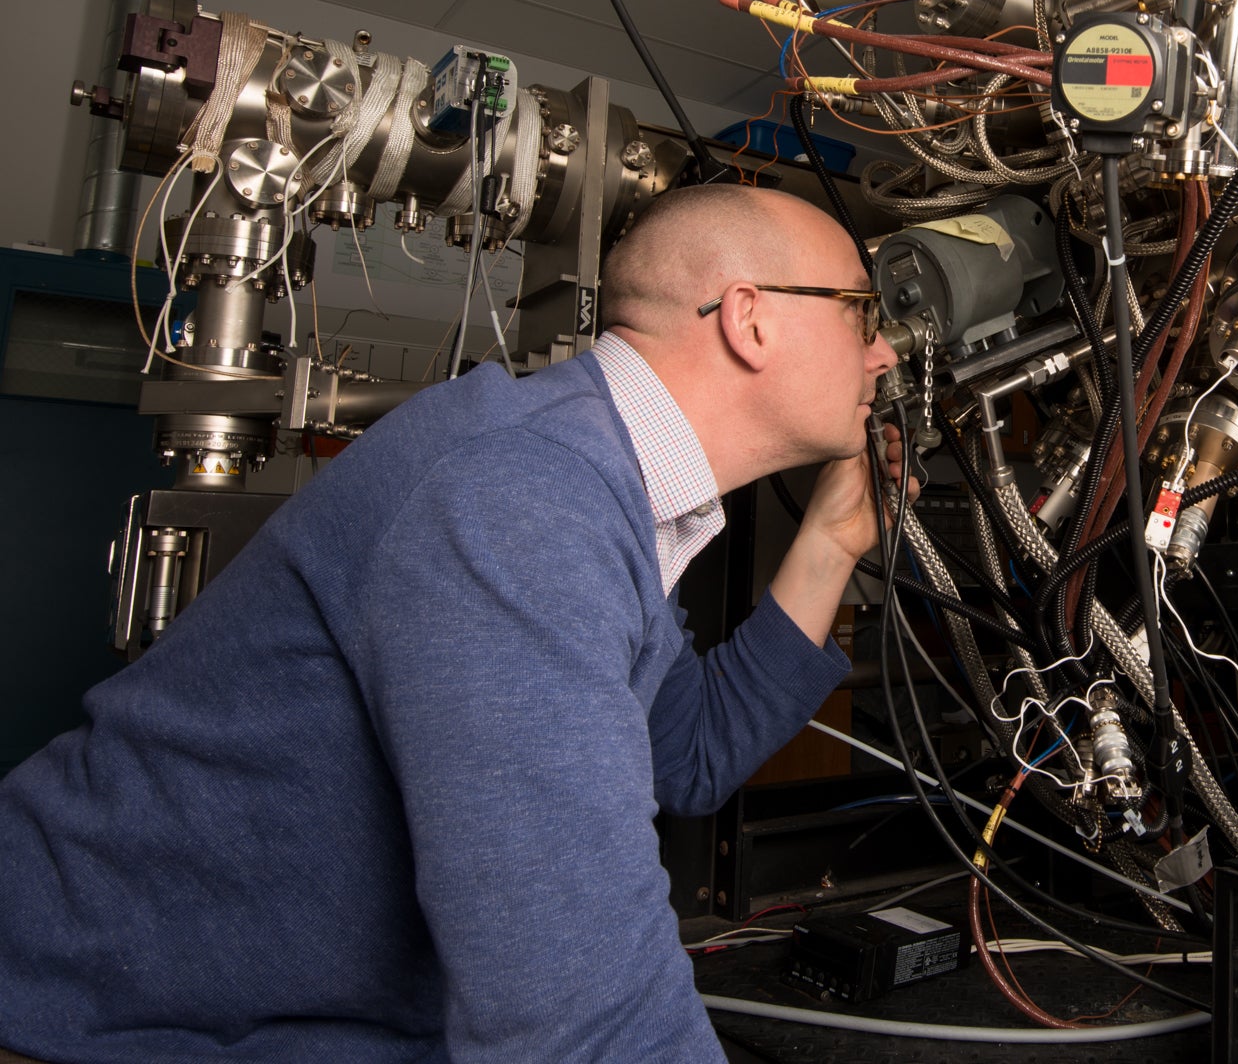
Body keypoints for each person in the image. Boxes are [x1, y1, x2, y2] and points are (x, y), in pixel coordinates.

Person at [0, 184, 903, 1063]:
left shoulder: (595, 482)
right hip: (79, 1020)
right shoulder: (522, 498)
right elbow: (581, 1028)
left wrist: (831, 539)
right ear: (750, 318)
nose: (884, 355)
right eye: (861, 313)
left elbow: (690, 754)